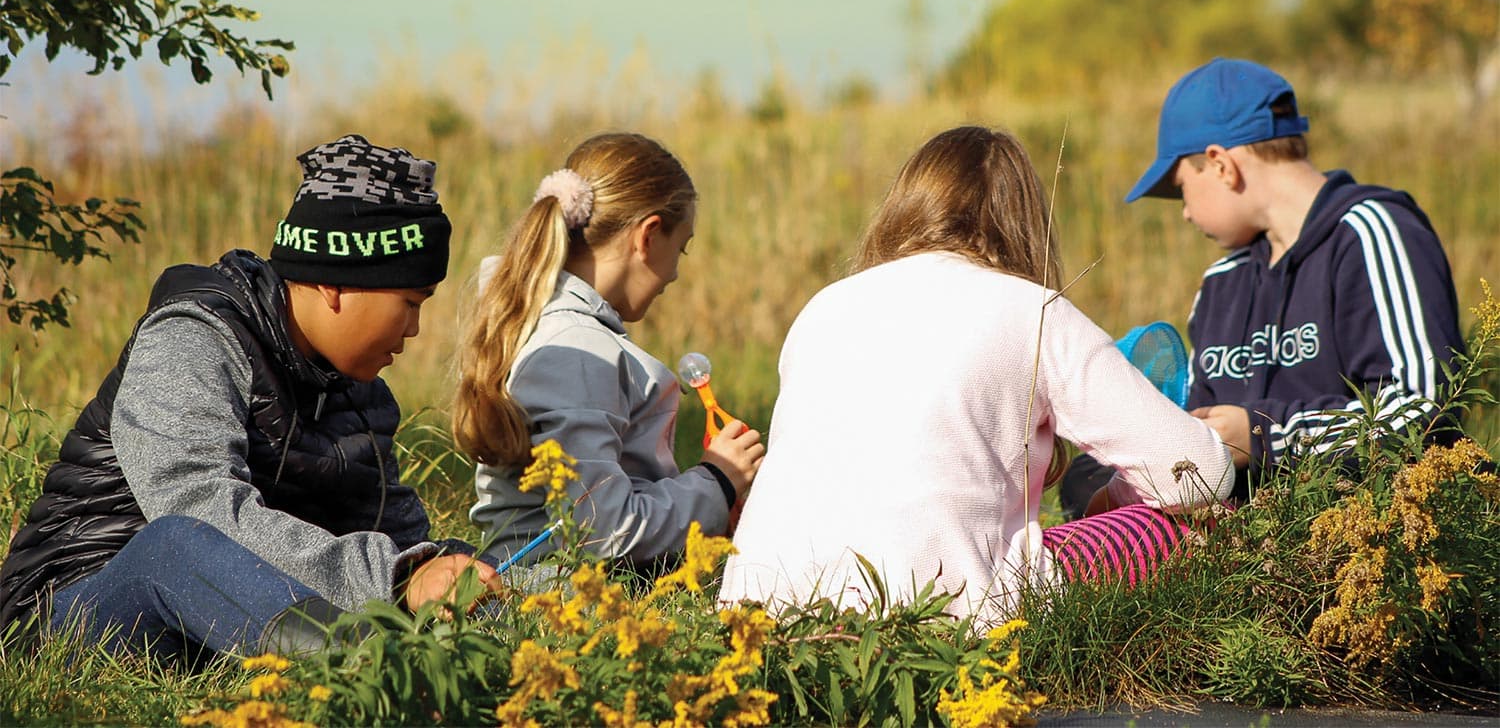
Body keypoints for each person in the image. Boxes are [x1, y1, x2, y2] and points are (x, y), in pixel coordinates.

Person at [0, 135, 496, 658]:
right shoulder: (192, 337)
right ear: (338, 281)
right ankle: (370, 669)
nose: (415, 329)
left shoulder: (361, 397)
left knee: (456, 564)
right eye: (410, 301)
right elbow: (197, 508)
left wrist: (450, 576)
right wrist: (398, 581)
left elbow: (400, 547)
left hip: (230, 624)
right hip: (74, 611)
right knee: (176, 544)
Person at [718, 126, 1234, 626]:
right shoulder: (1034, 311)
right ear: (1025, 223)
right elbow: (1200, 474)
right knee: (1181, 527)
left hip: (764, 617)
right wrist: (1118, 498)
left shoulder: (822, 308)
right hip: (937, 620)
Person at [1062, 58, 1465, 514]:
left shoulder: (1372, 231)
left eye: (1181, 188)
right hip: (1253, 539)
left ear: (1220, 165)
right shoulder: (1223, 282)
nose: (1186, 213)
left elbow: (1425, 410)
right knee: (1085, 476)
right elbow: (1200, 419)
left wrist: (1264, 436)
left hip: (1370, 530)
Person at [454, 132, 765, 571]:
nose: (675, 273)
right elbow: (603, 529)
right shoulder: (576, 352)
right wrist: (717, 481)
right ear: (648, 236)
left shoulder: (552, 329)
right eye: (683, 246)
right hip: (556, 602)